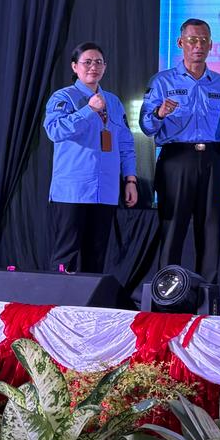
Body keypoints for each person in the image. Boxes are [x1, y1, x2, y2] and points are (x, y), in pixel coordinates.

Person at [139, 19, 220, 285]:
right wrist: (159, 113)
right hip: (176, 159)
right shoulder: (162, 81)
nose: (198, 46)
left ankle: (206, 293)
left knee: (210, 230)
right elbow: (146, 127)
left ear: (211, 45)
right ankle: (167, 291)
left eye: (204, 40)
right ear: (180, 43)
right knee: (172, 228)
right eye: (192, 40)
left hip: (213, 159)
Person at [44, 42, 137, 273]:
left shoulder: (113, 102)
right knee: (66, 254)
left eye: (98, 62)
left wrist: (130, 179)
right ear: (74, 66)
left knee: (97, 256)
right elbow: (54, 131)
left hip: (105, 190)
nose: (93, 67)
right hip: (73, 190)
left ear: (105, 67)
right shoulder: (63, 97)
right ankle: (59, 295)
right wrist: (89, 110)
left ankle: (90, 298)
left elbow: (125, 143)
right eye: (87, 62)